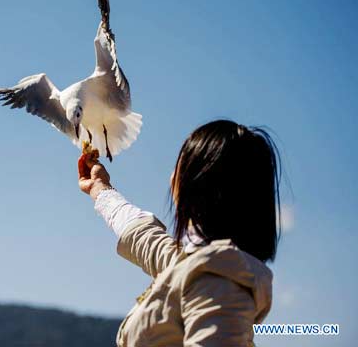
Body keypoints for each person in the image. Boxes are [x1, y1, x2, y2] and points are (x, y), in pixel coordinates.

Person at [78, 119, 281, 347]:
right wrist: (100, 189)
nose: (172, 176)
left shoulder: (218, 278)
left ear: (199, 181)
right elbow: (146, 239)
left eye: (181, 164)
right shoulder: (201, 266)